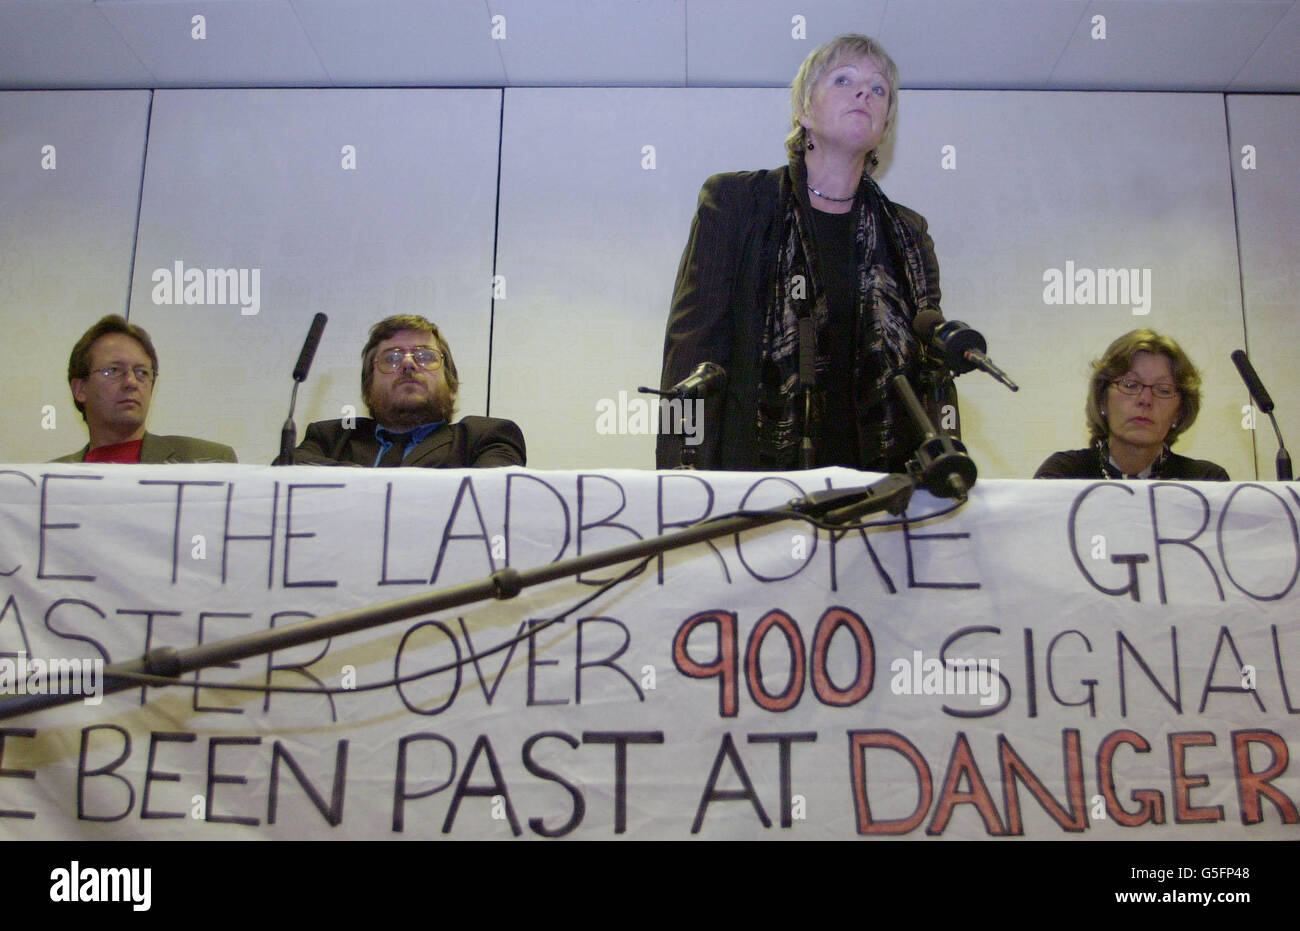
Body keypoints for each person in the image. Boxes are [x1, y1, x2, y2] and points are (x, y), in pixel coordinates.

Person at [656, 34, 948, 472]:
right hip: (751, 490)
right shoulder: (737, 204)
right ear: (803, 110)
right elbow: (692, 357)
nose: (864, 93)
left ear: (885, 125)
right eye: (844, 79)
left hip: (874, 497)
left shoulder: (906, 235)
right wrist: (681, 478)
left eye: (879, 89)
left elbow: (931, 372)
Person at [293, 314, 525, 467]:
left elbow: (493, 499)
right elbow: (284, 475)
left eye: (426, 356)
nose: (408, 364)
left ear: (451, 385)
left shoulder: (484, 438)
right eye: (391, 358)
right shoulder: (331, 439)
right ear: (368, 388)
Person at [1034, 329, 1229, 480]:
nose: (1145, 399)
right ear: (1102, 400)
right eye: (1130, 385)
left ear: (1179, 412)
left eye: (1163, 390)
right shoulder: (1064, 474)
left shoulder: (1205, 482)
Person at [53, 315, 236, 463]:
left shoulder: (210, 461)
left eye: (141, 372)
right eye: (114, 370)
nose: (131, 382)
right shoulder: (43, 482)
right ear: (80, 389)